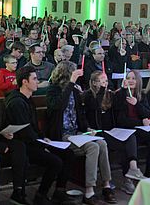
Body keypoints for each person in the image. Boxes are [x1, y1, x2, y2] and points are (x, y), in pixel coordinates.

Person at [45, 61, 117, 205]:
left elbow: (80, 114)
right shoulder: (53, 89)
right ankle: (89, 190)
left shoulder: (74, 90)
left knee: (101, 143)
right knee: (93, 147)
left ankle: (106, 185)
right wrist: (71, 83)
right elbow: (59, 106)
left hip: (76, 132)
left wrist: (87, 129)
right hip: (62, 134)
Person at [5, 66, 73, 205]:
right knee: (55, 161)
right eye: (34, 79)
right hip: (23, 146)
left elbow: (33, 126)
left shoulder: (28, 98)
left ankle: (59, 192)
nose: (38, 82)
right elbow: (24, 132)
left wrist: (43, 138)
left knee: (68, 154)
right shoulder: (17, 102)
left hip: (35, 141)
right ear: (25, 82)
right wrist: (42, 145)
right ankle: (40, 195)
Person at [83, 70, 147, 195]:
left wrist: (123, 90)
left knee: (130, 137)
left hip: (111, 131)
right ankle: (127, 180)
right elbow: (95, 107)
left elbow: (118, 107)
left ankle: (132, 170)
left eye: (106, 81)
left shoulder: (110, 95)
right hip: (97, 132)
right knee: (124, 146)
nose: (105, 84)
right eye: (102, 81)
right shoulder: (88, 95)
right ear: (94, 83)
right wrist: (102, 91)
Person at [114, 70, 150, 178]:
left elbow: (148, 114)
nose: (131, 81)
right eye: (128, 78)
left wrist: (137, 104)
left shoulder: (142, 95)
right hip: (128, 131)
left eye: (133, 78)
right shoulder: (120, 95)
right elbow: (121, 120)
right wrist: (140, 122)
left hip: (141, 130)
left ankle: (149, 175)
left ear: (138, 81)